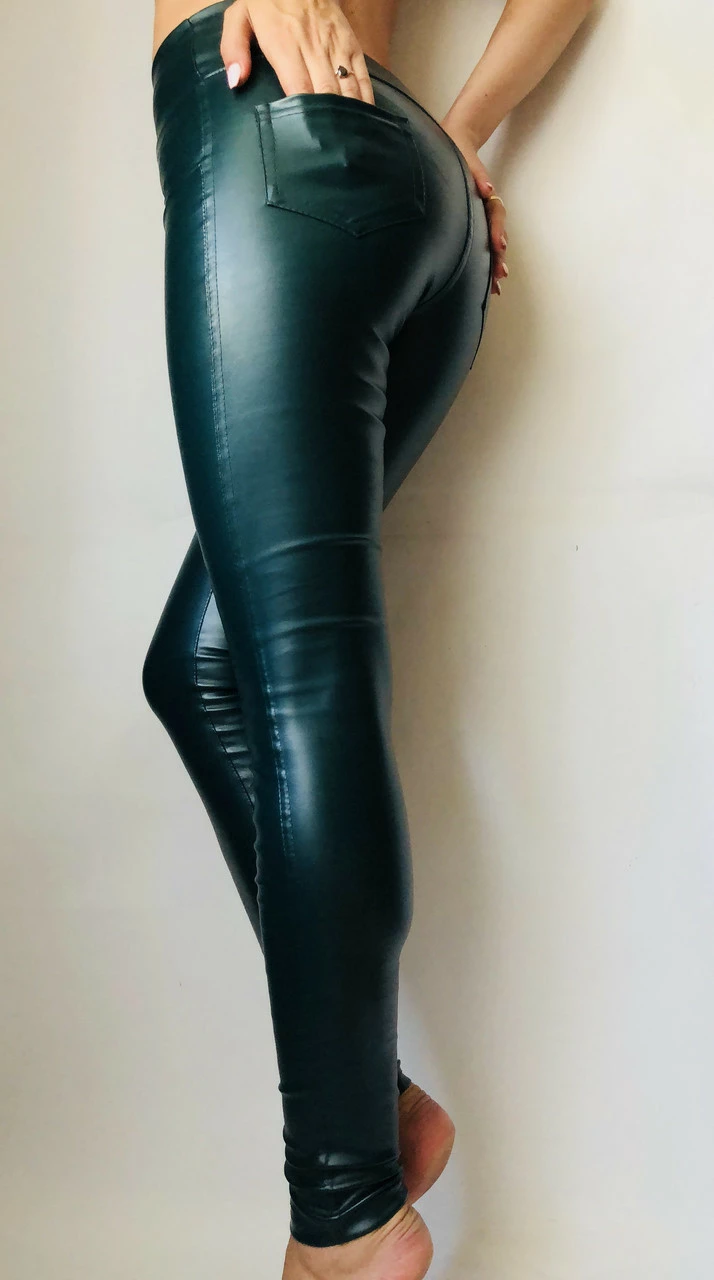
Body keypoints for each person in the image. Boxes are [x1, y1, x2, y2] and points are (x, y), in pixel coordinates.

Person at [144, 1, 594, 1275]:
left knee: (300, 682)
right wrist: (460, 134)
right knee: (201, 669)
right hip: (414, 189)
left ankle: (345, 1214)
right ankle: (382, 1109)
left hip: (266, 123)